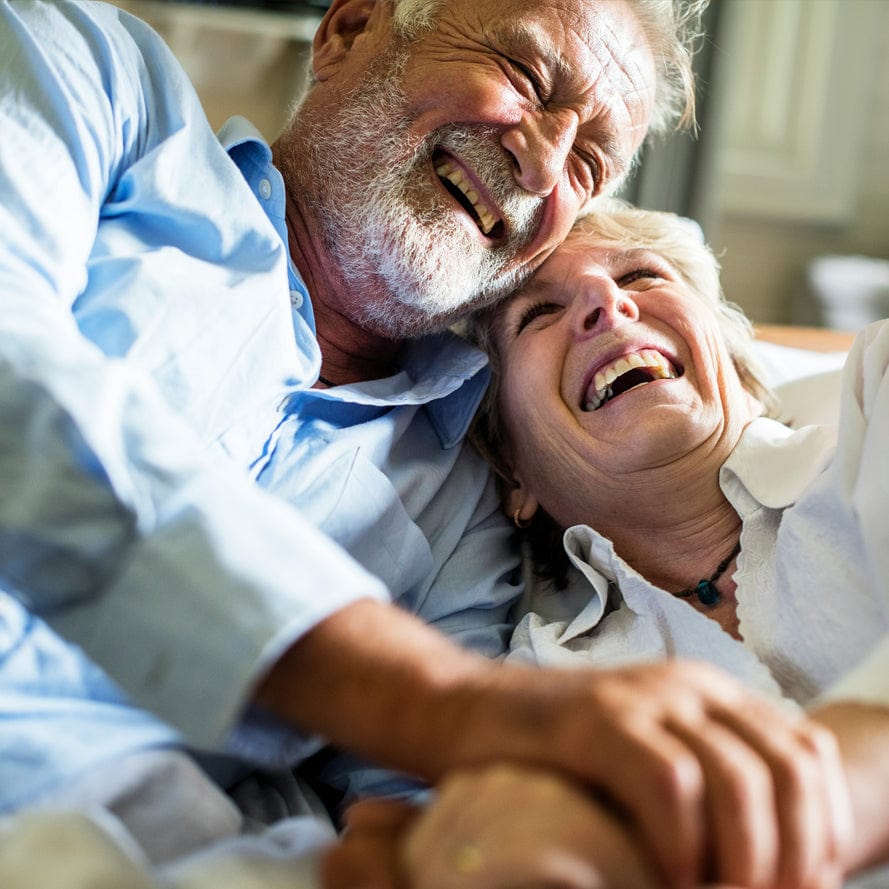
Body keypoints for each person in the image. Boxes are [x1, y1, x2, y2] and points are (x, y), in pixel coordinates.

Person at [0, 0, 848, 886]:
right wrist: (442, 703)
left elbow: (419, 810)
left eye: (590, 164)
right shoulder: (95, 78)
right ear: (350, 28)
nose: (542, 161)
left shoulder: (465, 493)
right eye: (524, 78)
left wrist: (447, 845)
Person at [467, 199, 889, 884]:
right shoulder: (543, 691)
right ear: (514, 471)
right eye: (537, 313)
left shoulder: (878, 398)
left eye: (639, 275)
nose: (606, 302)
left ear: (738, 366)